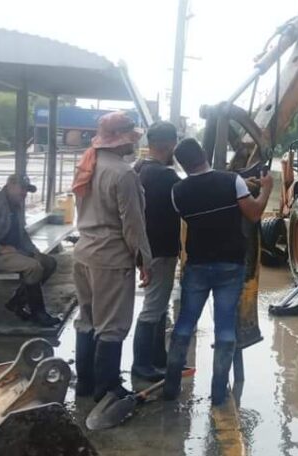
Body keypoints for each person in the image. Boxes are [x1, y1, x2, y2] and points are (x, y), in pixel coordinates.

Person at [162, 138, 273, 406]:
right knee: (224, 328)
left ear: (182, 164)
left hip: (197, 265)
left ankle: (171, 386)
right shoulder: (231, 181)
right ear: (204, 154)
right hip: (230, 265)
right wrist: (266, 188)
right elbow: (255, 214)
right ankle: (219, 393)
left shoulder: (178, 191)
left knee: (185, 325)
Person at [72, 111, 152, 402]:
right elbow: (132, 224)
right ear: (122, 140)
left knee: (87, 319)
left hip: (83, 253)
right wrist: (144, 260)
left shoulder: (87, 164)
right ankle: (107, 390)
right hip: (110, 258)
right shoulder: (123, 173)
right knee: (112, 326)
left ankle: (85, 384)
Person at [0, 174, 60, 327]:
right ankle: (38, 313)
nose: (24, 193)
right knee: (33, 267)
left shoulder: (15, 204)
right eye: (22, 188)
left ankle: (16, 302)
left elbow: (21, 233)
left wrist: (34, 251)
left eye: (27, 190)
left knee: (48, 262)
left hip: (13, 251)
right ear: (10, 185)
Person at [130, 122, 181, 382]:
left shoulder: (139, 169)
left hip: (147, 249)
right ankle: (141, 364)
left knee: (159, 306)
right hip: (160, 250)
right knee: (152, 308)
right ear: (168, 144)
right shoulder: (166, 177)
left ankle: (158, 357)